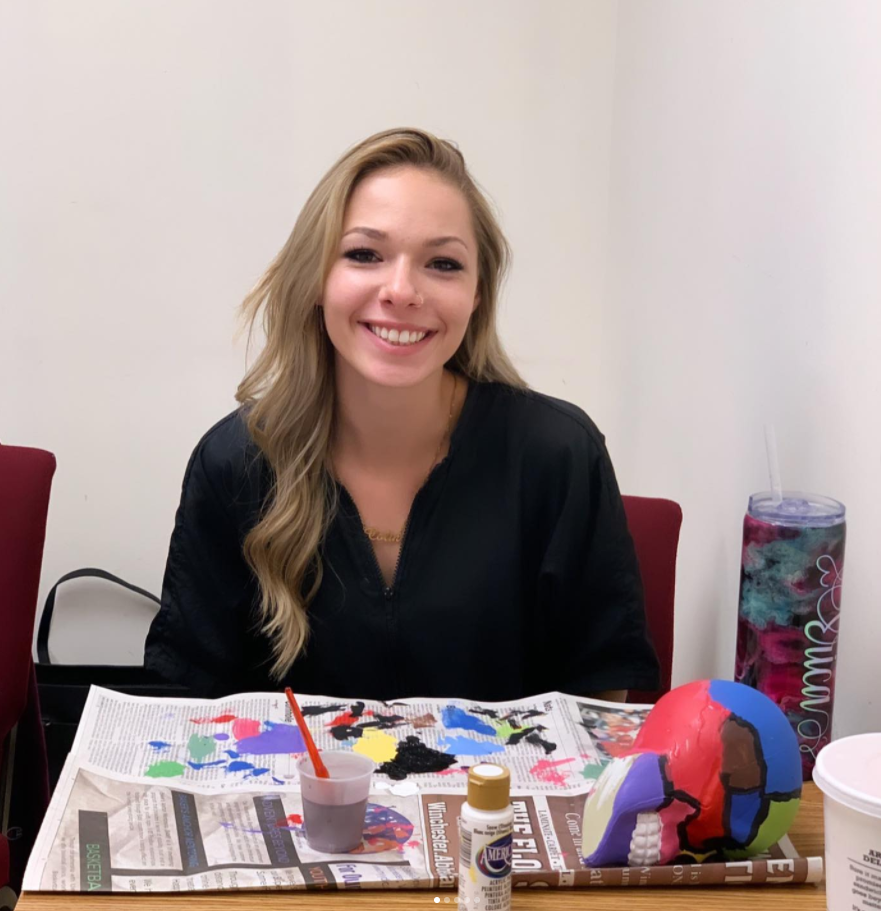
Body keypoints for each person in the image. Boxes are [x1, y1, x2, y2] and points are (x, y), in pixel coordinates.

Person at [145, 127, 659, 703]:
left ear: (477, 295)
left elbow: (600, 698)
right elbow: (191, 700)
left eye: (443, 263)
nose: (402, 290)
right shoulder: (233, 462)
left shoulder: (558, 454)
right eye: (364, 254)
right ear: (316, 279)